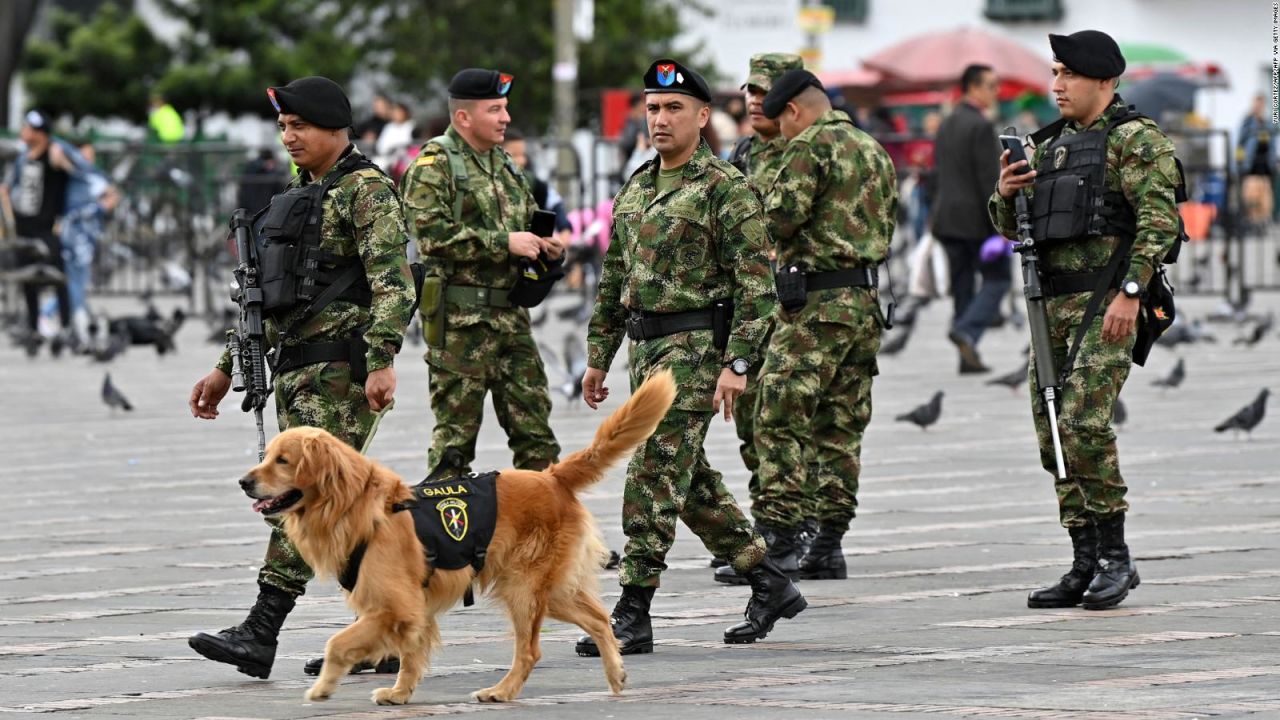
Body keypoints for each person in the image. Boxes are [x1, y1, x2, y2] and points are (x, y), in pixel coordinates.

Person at [186, 76, 417, 678]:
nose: (289, 137)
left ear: (336, 131)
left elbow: (396, 282)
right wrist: (223, 367)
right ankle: (388, 631)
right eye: (283, 127)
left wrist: (383, 358)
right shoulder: (296, 194)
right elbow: (259, 298)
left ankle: (262, 631)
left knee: (301, 498)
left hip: (342, 370)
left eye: (300, 127)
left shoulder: (366, 191)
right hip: (294, 369)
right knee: (341, 509)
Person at [576, 59, 805, 657]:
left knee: (652, 470)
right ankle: (768, 580)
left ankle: (633, 607)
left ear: (703, 117)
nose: (659, 118)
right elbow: (613, 279)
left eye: (674, 108)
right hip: (646, 351)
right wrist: (599, 355)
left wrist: (739, 364)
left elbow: (758, 286)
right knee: (690, 478)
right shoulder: (637, 186)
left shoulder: (726, 189)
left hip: (697, 351)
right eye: (652, 107)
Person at [989, 30, 1181, 611]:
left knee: (1082, 424)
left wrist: (1130, 291)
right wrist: (1005, 192)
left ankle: (1116, 557)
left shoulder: (1136, 142)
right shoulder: (1047, 146)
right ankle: (1083, 558)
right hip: (1051, 310)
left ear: (1104, 80)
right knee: (1053, 434)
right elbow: (1009, 227)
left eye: (1068, 75)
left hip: (1106, 308)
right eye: (1055, 73)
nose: (1056, 85)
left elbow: (1160, 223)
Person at [748, 69, 897, 583]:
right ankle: (829, 543)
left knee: (778, 413)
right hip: (865, 299)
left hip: (816, 304)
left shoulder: (809, 147)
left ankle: (781, 540)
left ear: (793, 110)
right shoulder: (872, 147)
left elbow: (779, 218)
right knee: (840, 423)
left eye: (779, 121)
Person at [399, 69, 562, 477]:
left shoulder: (505, 163)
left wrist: (545, 247)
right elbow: (430, 236)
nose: (505, 117)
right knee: (455, 443)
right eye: (495, 109)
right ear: (464, 118)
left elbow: (523, 222)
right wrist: (503, 242)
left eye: (505, 108)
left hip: (512, 319)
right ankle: (445, 535)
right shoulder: (433, 165)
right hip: (460, 325)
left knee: (537, 436)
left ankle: (549, 536)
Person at [714, 51, 807, 581]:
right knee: (752, 422)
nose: (753, 100)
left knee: (785, 421)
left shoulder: (807, 150)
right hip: (749, 305)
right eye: (748, 90)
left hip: (798, 308)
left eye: (764, 92)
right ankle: (764, 529)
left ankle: (790, 528)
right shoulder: (746, 151)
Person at [933, 64, 1008, 374]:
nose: (996, 92)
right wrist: (1000, 225)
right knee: (998, 279)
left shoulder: (947, 122)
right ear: (974, 87)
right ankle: (967, 331)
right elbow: (988, 179)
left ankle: (967, 356)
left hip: (947, 218)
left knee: (962, 287)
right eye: (991, 86)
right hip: (975, 219)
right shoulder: (979, 125)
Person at [2, 110, 77, 356]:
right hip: (23, 227)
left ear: (40, 134)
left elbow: (77, 173)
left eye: (27, 129)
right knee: (28, 280)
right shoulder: (22, 158)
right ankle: (34, 330)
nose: (23, 132)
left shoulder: (53, 155)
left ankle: (66, 328)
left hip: (47, 228)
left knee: (58, 278)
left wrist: (63, 161)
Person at [60, 137, 120, 347]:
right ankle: (79, 326)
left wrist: (104, 203)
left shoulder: (92, 175)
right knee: (74, 282)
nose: (88, 158)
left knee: (76, 282)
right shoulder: (74, 176)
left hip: (88, 235)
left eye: (91, 155)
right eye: (85, 154)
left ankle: (77, 322)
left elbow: (113, 195)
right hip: (73, 236)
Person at [1237, 94, 1276, 228]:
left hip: (1265, 166)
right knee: (1251, 196)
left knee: (1265, 197)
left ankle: (1263, 221)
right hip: (1251, 166)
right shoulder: (1247, 121)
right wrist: (1239, 162)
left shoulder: (1268, 123)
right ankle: (1253, 221)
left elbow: (1273, 137)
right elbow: (1240, 143)